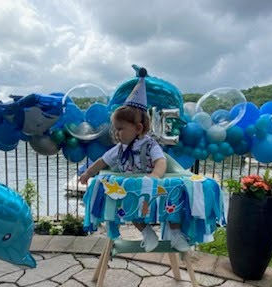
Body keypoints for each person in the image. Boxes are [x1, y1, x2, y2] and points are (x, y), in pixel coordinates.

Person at [78, 68, 190, 252]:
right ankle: (147, 232)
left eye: (120, 128)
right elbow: (102, 161)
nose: (116, 133)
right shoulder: (119, 149)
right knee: (127, 204)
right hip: (133, 189)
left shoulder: (150, 144)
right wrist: (88, 173)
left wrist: (155, 176)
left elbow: (161, 161)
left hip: (153, 187)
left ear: (138, 128)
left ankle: (176, 234)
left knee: (171, 201)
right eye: (115, 128)